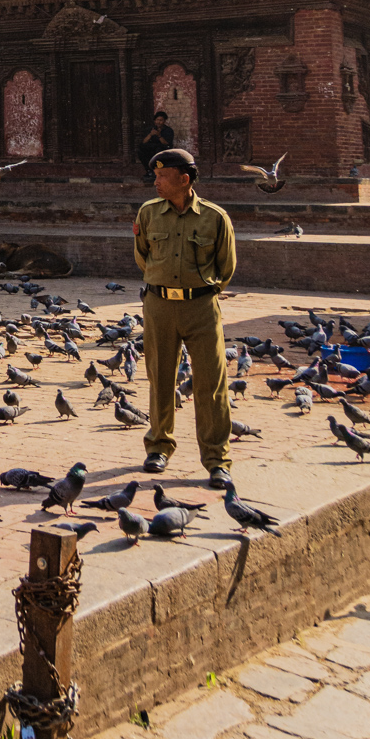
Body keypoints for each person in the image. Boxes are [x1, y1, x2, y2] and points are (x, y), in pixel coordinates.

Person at [133, 147, 237, 487]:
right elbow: (143, 257)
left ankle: (217, 459)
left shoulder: (215, 217)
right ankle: (158, 447)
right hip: (159, 306)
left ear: (184, 179)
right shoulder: (148, 213)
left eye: (163, 176)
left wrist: (201, 290)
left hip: (200, 307)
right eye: (155, 175)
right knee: (160, 377)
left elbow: (226, 266)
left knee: (211, 384)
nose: (156, 182)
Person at [136, 111, 174, 182]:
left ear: (164, 121)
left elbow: (166, 143)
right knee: (141, 150)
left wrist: (159, 136)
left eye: (161, 120)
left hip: (162, 149)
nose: (159, 122)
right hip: (152, 149)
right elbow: (144, 142)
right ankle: (149, 171)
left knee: (158, 151)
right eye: (157, 120)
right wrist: (150, 134)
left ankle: (157, 172)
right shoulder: (150, 129)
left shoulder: (168, 130)